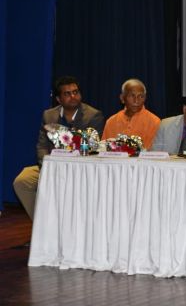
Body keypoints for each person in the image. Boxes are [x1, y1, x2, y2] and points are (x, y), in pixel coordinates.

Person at [13, 76, 105, 220]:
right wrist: (47, 167)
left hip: (80, 169)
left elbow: (91, 148)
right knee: (22, 181)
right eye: (67, 94)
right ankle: (42, 222)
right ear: (58, 99)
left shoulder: (93, 116)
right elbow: (42, 146)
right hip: (52, 166)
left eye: (75, 92)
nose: (73, 96)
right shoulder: (48, 115)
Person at [102, 79, 161, 149]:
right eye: (131, 96)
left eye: (141, 96)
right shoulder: (111, 122)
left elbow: (155, 151)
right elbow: (104, 149)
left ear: (145, 98)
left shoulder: (155, 122)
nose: (136, 100)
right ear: (122, 98)